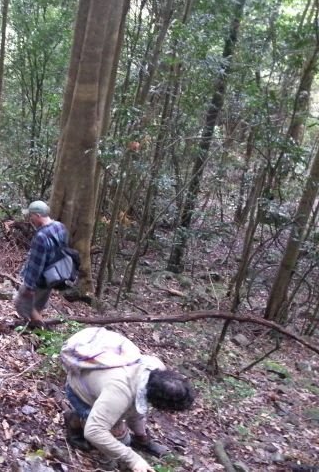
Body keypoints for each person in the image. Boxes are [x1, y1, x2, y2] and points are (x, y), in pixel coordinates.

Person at [60, 327, 196, 472]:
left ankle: (140, 438)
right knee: (121, 441)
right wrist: (132, 458)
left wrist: (141, 436)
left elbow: (138, 407)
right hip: (80, 388)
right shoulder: (119, 393)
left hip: (107, 386)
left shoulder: (155, 368)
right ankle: (75, 420)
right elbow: (94, 431)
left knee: (124, 435)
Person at [14, 200, 68, 324]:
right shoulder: (60, 226)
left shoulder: (41, 237)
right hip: (54, 275)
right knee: (38, 303)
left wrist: (30, 286)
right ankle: (36, 327)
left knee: (22, 302)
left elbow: (36, 266)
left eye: (31, 215)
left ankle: (41, 330)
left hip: (41, 278)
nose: (31, 218)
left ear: (38, 216)